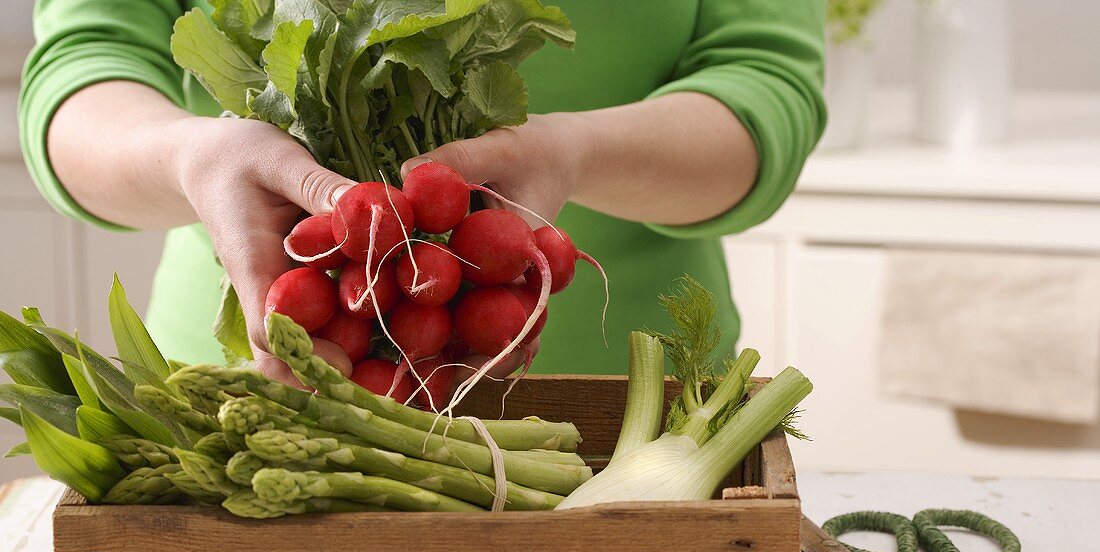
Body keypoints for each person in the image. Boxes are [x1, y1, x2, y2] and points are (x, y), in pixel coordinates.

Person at [19, 1, 825, 383]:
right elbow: (84, 69)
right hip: (255, 390)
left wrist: (573, 152)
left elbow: (766, 83)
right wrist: (193, 157)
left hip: (627, 409)